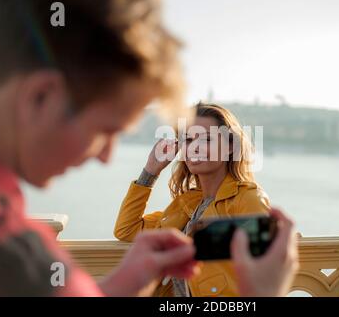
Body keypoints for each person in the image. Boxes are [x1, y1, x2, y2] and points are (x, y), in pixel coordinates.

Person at [0, 0, 298, 297]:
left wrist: (121, 284)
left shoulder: (6, 230)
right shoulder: (6, 243)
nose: (106, 155)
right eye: (105, 130)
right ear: (41, 96)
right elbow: (125, 230)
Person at [115, 102, 273, 296]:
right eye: (188, 140)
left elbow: (265, 272)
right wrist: (150, 172)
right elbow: (127, 229)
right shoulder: (188, 205)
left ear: (231, 146)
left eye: (207, 139)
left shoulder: (247, 199)